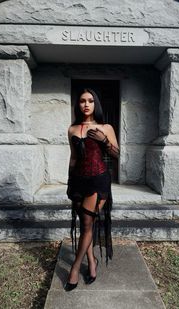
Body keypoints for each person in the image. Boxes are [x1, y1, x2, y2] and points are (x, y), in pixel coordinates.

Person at [65, 88, 120, 292]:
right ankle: (92, 261)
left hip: (98, 180)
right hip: (78, 180)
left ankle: (75, 268)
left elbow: (117, 154)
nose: (86, 104)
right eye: (82, 101)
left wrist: (104, 141)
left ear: (95, 103)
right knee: (85, 223)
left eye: (90, 100)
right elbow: (73, 157)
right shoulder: (72, 129)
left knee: (87, 224)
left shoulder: (105, 127)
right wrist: (69, 181)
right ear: (78, 104)